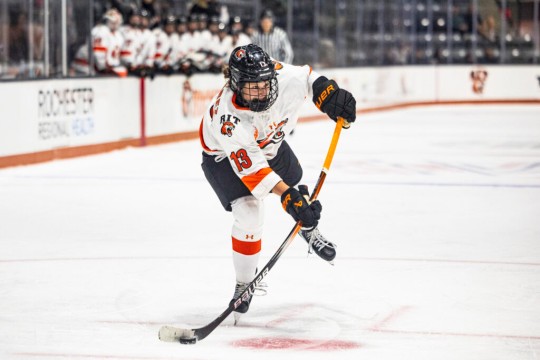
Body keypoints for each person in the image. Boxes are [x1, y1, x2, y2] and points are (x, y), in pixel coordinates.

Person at [199, 44, 356, 321]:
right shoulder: (229, 120)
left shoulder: (280, 78)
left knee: (295, 185)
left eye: (265, 84)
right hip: (223, 157)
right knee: (249, 212)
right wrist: (288, 199)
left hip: (269, 144)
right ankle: (243, 284)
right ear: (236, 84)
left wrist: (329, 95)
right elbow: (257, 172)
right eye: (253, 87)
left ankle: (307, 226)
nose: (262, 91)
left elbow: (309, 79)